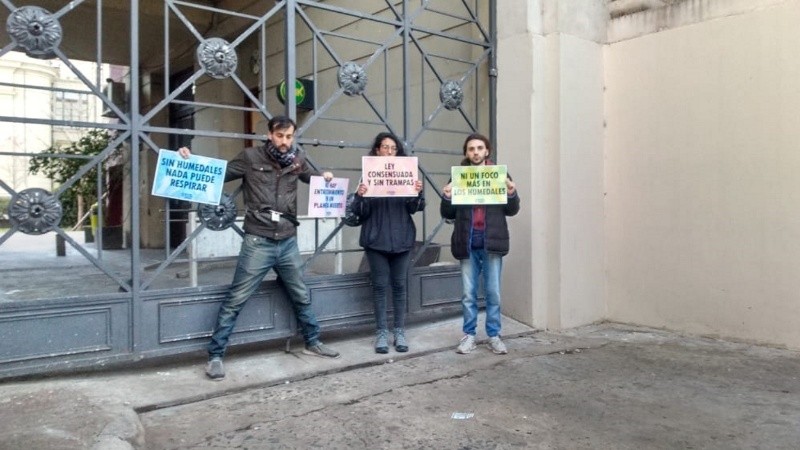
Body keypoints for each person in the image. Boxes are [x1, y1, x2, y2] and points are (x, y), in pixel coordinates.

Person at [178, 115, 340, 381]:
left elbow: (312, 177)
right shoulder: (251, 157)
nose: (284, 141)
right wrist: (189, 159)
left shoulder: (298, 158)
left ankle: (313, 342)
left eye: (289, 137)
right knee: (236, 299)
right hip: (258, 241)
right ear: (269, 135)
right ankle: (215, 356)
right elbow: (216, 173)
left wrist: (326, 177)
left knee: (300, 294)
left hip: (287, 240)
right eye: (280, 136)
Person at [440, 133, 520, 355]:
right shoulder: (458, 178)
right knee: (468, 294)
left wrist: (511, 192)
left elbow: (512, 210)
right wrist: (446, 197)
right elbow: (447, 213)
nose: (475, 152)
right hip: (467, 244)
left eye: (479, 148)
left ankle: (494, 335)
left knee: (493, 293)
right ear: (466, 153)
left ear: (487, 151)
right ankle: (469, 336)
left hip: (491, 243)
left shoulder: (499, 175)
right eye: (471, 149)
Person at [351, 132, 425, 353]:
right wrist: (360, 195)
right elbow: (358, 212)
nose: (389, 152)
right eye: (385, 147)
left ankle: (399, 331)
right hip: (376, 240)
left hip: (402, 240)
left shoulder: (406, 175)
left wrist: (417, 193)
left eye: (393, 148)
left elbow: (415, 208)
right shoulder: (367, 177)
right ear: (377, 150)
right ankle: (382, 332)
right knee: (380, 287)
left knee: (400, 286)